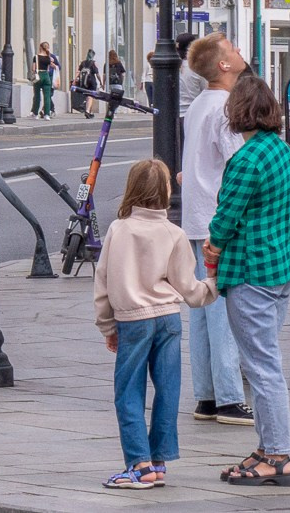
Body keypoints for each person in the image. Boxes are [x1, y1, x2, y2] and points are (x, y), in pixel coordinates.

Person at [203, 74, 290, 488]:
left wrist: (212, 245)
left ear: (238, 112)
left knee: (262, 367)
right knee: (263, 360)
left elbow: (225, 218)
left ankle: (278, 456)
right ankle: (266, 449)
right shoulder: (280, 149)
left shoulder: (246, 159)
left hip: (252, 271)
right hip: (282, 269)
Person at [92, 159, 218, 491]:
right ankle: (159, 458)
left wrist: (107, 327)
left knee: (128, 391)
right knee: (168, 388)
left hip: (133, 320)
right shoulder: (174, 234)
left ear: (131, 189)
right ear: (166, 191)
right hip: (168, 318)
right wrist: (214, 283)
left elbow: (102, 283)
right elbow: (189, 287)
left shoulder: (119, 230)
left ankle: (139, 464)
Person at [180, 33, 255, 426]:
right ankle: (228, 396)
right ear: (224, 65)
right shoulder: (228, 107)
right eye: (234, 50)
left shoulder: (198, 104)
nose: (240, 53)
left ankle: (206, 396)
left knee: (202, 306)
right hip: (217, 214)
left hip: (195, 213)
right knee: (224, 306)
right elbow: (238, 163)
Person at [32, 42, 57, 121]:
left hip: (38, 76)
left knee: (37, 96)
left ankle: (35, 113)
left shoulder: (36, 57)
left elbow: (33, 69)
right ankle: (47, 115)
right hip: (46, 76)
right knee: (47, 96)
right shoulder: (48, 58)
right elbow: (53, 66)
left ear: (40, 47)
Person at [75, 50, 102, 118]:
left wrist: (75, 80)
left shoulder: (83, 63)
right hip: (91, 82)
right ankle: (87, 111)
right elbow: (97, 74)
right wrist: (101, 82)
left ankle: (90, 112)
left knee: (89, 97)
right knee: (90, 96)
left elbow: (78, 71)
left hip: (84, 82)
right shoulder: (93, 63)